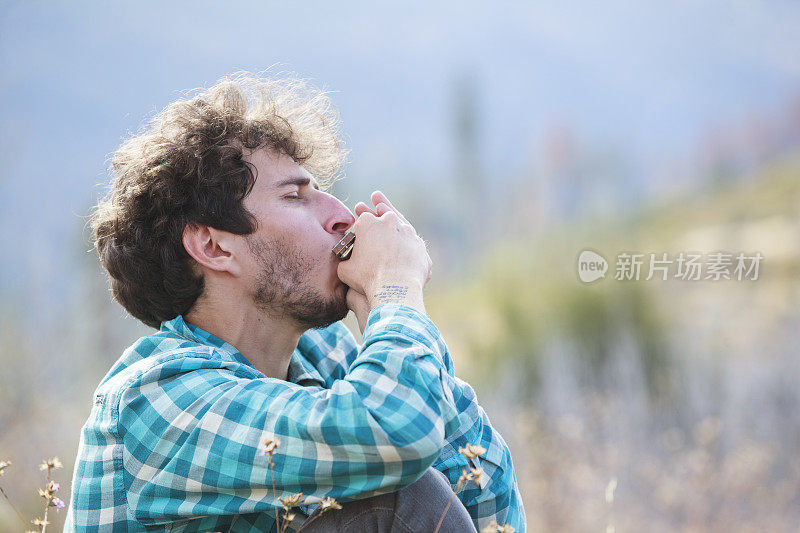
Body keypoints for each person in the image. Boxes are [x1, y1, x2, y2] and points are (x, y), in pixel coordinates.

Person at [64, 71, 526, 532]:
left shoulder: (325, 357)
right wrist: (396, 295)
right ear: (215, 248)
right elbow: (398, 436)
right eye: (295, 196)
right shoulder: (159, 397)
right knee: (398, 495)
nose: (344, 216)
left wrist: (385, 317)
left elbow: (488, 501)